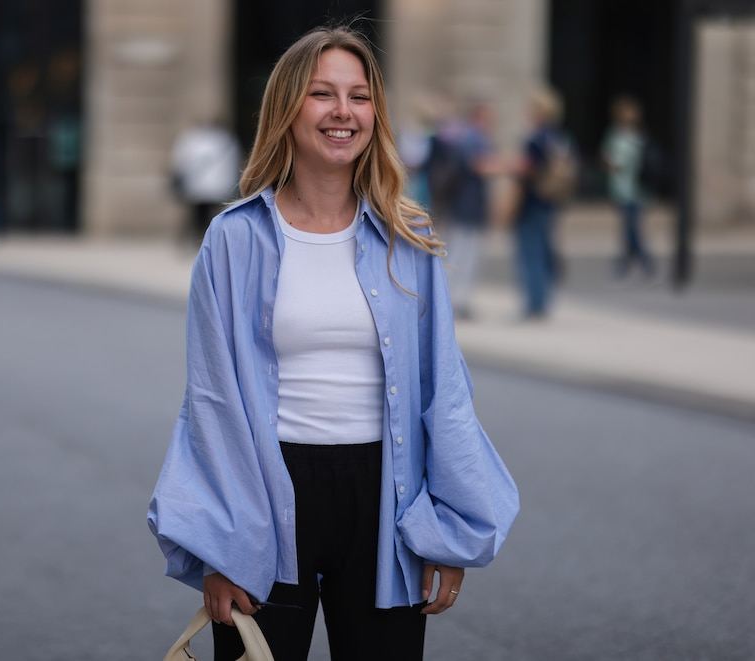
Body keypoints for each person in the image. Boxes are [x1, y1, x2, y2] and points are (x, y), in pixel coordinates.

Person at [148, 25, 519, 661]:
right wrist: (222, 545)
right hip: (266, 494)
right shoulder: (233, 240)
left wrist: (446, 532)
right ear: (287, 108)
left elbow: (445, 391)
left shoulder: (411, 240)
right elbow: (213, 402)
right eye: (323, 94)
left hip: (386, 498)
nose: (343, 112)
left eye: (359, 95)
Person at [512, 87, 570, 320]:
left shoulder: (535, 139)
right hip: (551, 200)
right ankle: (543, 299)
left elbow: (526, 170)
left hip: (532, 201)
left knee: (530, 252)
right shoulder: (560, 138)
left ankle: (534, 304)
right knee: (544, 250)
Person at [443, 101, 501, 319]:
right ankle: (455, 299)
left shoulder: (474, 138)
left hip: (469, 205)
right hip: (464, 205)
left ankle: (460, 299)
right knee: (462, 253)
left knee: (466, 253)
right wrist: (508, 166)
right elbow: (478, 165)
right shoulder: (472, 138)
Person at [601, 95, 657, 282]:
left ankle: (640, 263)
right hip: (627, 188)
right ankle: (629, 263)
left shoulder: (631, 137)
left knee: (631, 229)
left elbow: (619, 163)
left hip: (634, 188)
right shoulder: (623, 136)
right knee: (630, 228)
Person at [169, 118, 242, 242]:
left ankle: (197, 238)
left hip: (197, 184)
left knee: (198, 214)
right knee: (212, 214)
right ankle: (208, 238)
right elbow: (233, 163)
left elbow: (180, 160)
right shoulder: (226, 139)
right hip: (218, 185)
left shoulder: (191, 138)